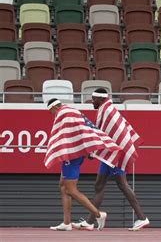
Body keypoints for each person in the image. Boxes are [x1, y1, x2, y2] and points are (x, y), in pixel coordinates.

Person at [72, 89, 149, 231]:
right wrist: (94, 151)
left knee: (122, 185)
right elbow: (102, 133)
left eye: (94, 99)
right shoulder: (105, 108)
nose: (92, 102)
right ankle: (90, 222)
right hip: (108, 156)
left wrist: (93, 151)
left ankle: (142, 218)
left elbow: (101, 133)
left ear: (100, 99)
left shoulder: (106, 110)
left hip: (116, 154)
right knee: (99, 186)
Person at [45, 98, 116, 231]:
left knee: (71, 189)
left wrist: (86, 148)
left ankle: (98, 214)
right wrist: (88, 148)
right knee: (62, 185)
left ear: (54, 108)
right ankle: (66, 223)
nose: (52, 115)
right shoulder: (74, 112)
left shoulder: (64, 113)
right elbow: (88, 128)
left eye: (51, 112)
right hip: (76, 153)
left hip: (71, 155)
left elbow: (65, 134)